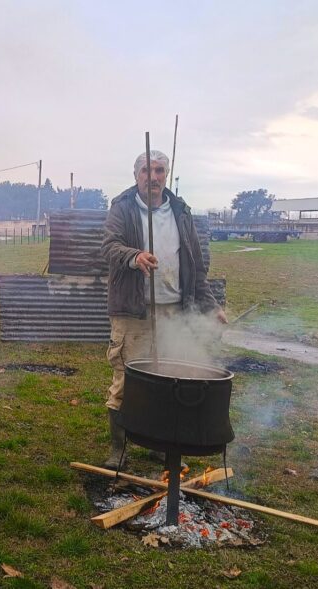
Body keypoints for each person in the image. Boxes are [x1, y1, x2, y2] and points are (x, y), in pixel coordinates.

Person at [100, 150, 226, 469]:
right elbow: (109, 246)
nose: (153, 177)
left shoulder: (180, 211)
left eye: (159, 171)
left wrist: (210, 306)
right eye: (146, 171)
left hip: (173, 311)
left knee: (170, 379)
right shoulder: (123, 207)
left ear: (166, 176)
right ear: (136, 175)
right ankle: (119, 450)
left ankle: (159, 442)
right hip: (134, 312)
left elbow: (195, 267)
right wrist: (135, 256)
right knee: (126, 379)